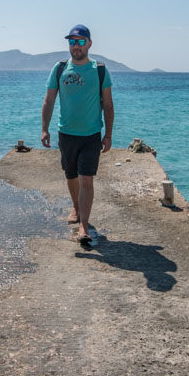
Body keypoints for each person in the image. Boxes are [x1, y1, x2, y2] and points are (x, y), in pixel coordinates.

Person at [40, 24, 114, 244]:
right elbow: (49, 100)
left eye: (81, 41)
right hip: (66, 134)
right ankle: (75, 206)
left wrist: (108, 135)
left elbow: (108, 105)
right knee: (71, 175)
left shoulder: (99, 70)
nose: (76, 46)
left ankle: (84, 226)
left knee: (86, 179)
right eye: (72, 41)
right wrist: (44, 128)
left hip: (91, 135)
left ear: (89, 43)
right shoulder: (60, 68)